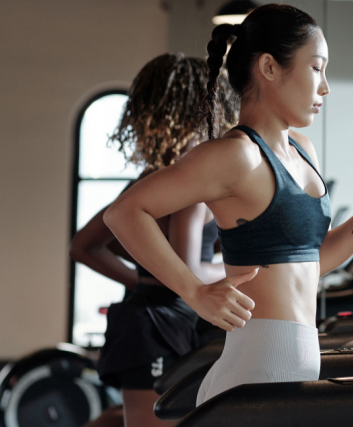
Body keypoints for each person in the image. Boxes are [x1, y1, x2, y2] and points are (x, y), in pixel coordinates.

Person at [103, 3, 353, 407]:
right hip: (257, 367)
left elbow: (310, 264)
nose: (325, 87)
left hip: (294, 365)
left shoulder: (303, 151)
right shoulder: (236, 155)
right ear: (268, 67)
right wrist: (194, 291)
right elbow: (124, 213)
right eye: (317, 68)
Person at [70, 52, 238, 426]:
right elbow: (187, 267)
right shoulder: (187, 182)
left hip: (151, 316)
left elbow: (87, 246)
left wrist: (148, 276)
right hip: (156, 324)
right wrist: (238, 269)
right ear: (207, 110)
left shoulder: (147, 178)